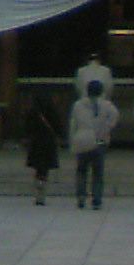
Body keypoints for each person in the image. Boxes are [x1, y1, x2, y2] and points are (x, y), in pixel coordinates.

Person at [69, 78, 119, 209]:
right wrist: (105, 129)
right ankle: (96, 199)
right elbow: (114, 117)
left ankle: (81, 197)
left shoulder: (78, 105)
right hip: (99, 139)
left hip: (82, 138)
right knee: (97, 172)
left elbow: (73, 124)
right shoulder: (107, 105)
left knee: (81, 170)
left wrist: (72, 140)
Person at [23, 90, 62, 205]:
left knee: (37, 166)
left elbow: (27, 129)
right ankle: (42, 187)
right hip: (49, 142)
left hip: (35, 142)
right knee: (45, 168)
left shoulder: (31, 112)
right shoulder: (52, 111)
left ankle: (37, 186)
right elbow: (58, 127)